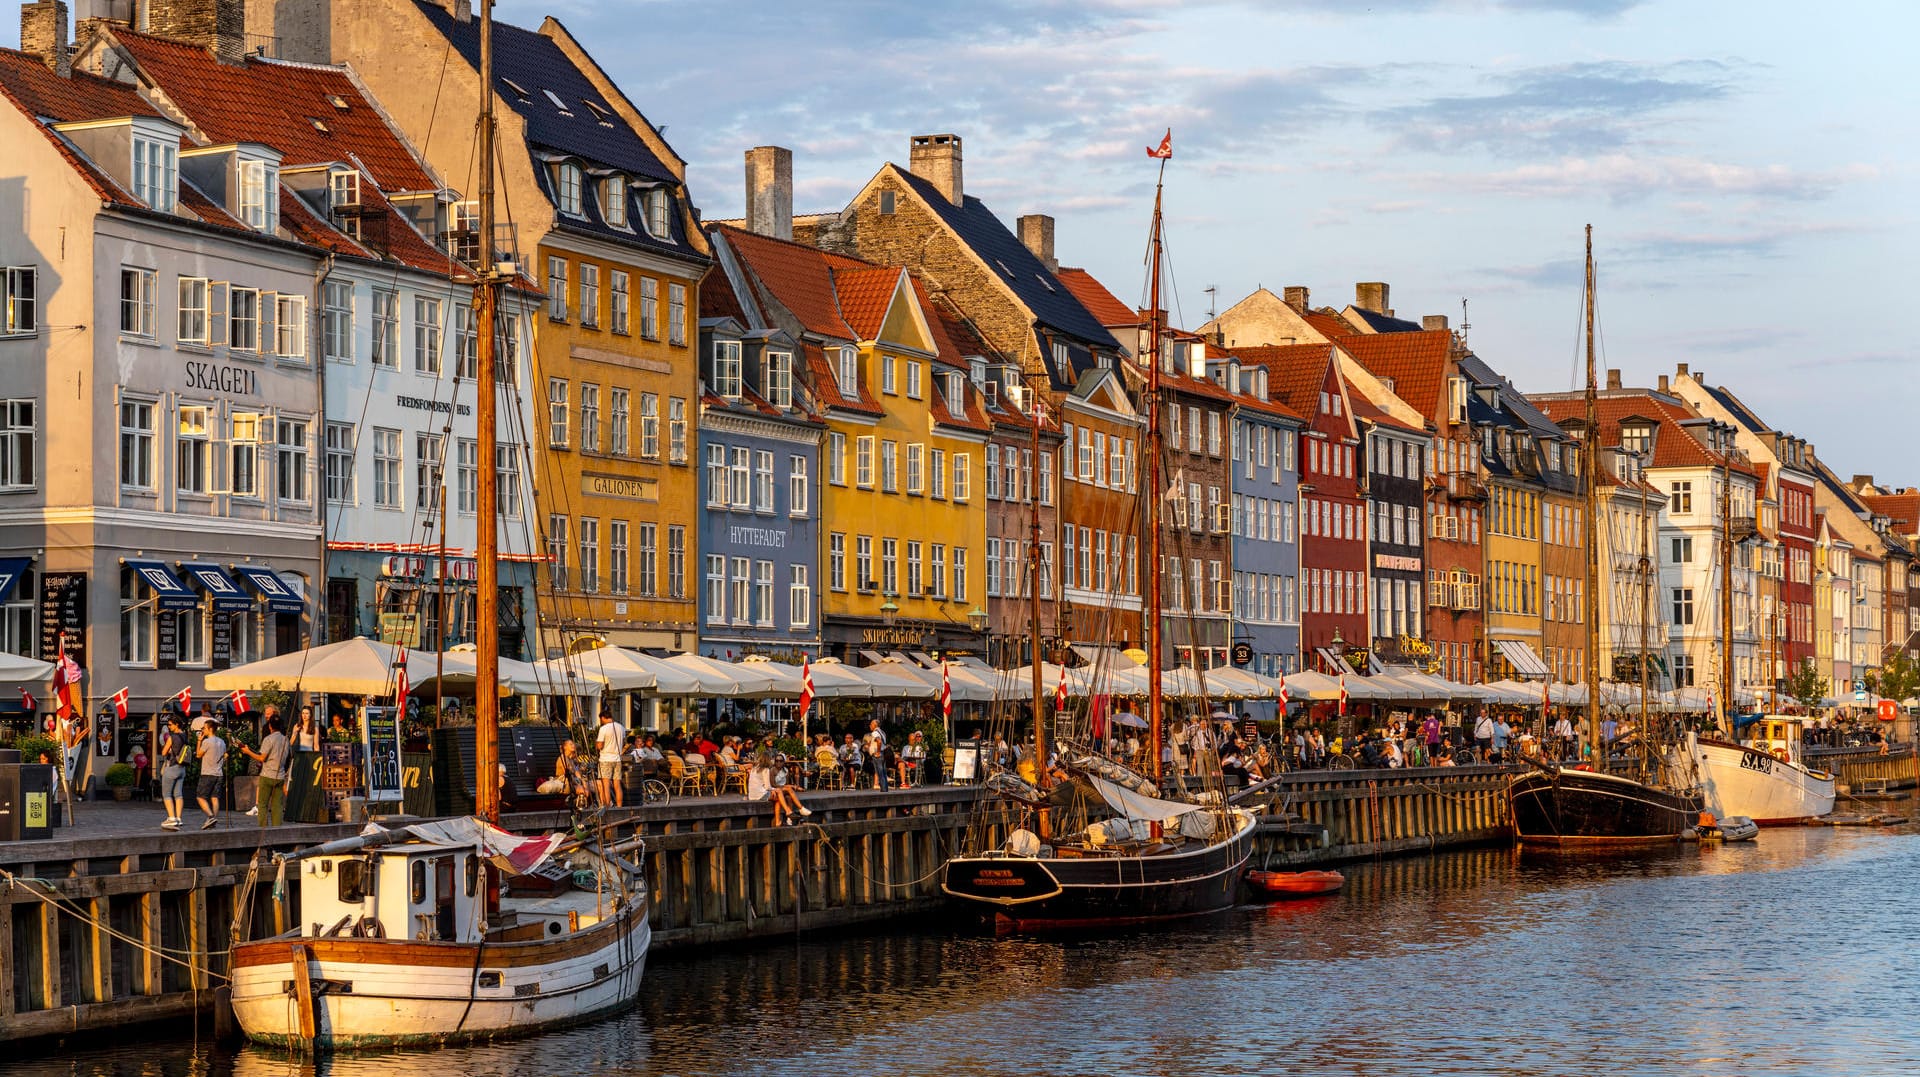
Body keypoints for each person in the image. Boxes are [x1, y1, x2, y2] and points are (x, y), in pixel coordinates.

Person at [239, 715, 291, 827]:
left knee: (262, 805)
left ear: (270, 726)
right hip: (280, 776)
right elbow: (288, 758)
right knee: (277, 805)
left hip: (267, 775)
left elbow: (262, 758)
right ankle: (276, 830)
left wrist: (248, 752)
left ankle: (264, 830)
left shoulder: (268, 739)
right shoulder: (286, 739)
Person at [746, 749, 811, 825]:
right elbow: (768, 787)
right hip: (760, 794)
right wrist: (774, 789)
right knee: (779, 791)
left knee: (778, 799)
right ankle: (792, 810)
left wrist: (773, 790)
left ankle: (778, 822)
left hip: (752, 794)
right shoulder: (766, 769)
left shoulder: (754, 768)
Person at [157, 714, 192, 830]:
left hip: (172, 767)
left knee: (166, 794)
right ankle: (179, 818)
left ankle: (171, 818)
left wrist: (170, 748)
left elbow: (163, 752)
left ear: (176, 724)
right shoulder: (185, 736)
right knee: (178, 794)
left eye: (170, 725)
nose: (169, 727)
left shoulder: (172, 737)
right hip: (182, 768)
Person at [192, 716, 226, 829]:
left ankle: (211, 816)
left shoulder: (207, 742)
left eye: (204, 728)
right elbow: (224, 757)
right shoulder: (222, 742)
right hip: (219, 773)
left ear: (210, 729)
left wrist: (199, 741)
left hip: (207, 773)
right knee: (215, 798)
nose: (203, 731)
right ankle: (213, 820)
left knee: (200, 796)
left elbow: (198, 755)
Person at [595, 712, 626, 809]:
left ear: (603, 718)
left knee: (606, 786)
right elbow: (623, 743)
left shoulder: (603, 729)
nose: (601, 722)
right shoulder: (621, 727)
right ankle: (619, 807)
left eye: (601, 720)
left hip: (605, 759)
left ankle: (607, 807)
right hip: (617, 759)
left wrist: (596, 744)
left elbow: (600, 746)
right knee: (617, 785)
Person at [863, 720, 890, 791]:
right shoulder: (882, 732)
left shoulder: (875, 733)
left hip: (878, 755)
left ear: (875, 725)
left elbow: (879, 741)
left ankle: (883, 790)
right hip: (883, 754)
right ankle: (885, 789)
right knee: (883, 772)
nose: (870, 726)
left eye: (871, 724)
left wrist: (877, 752)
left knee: (880, 772)